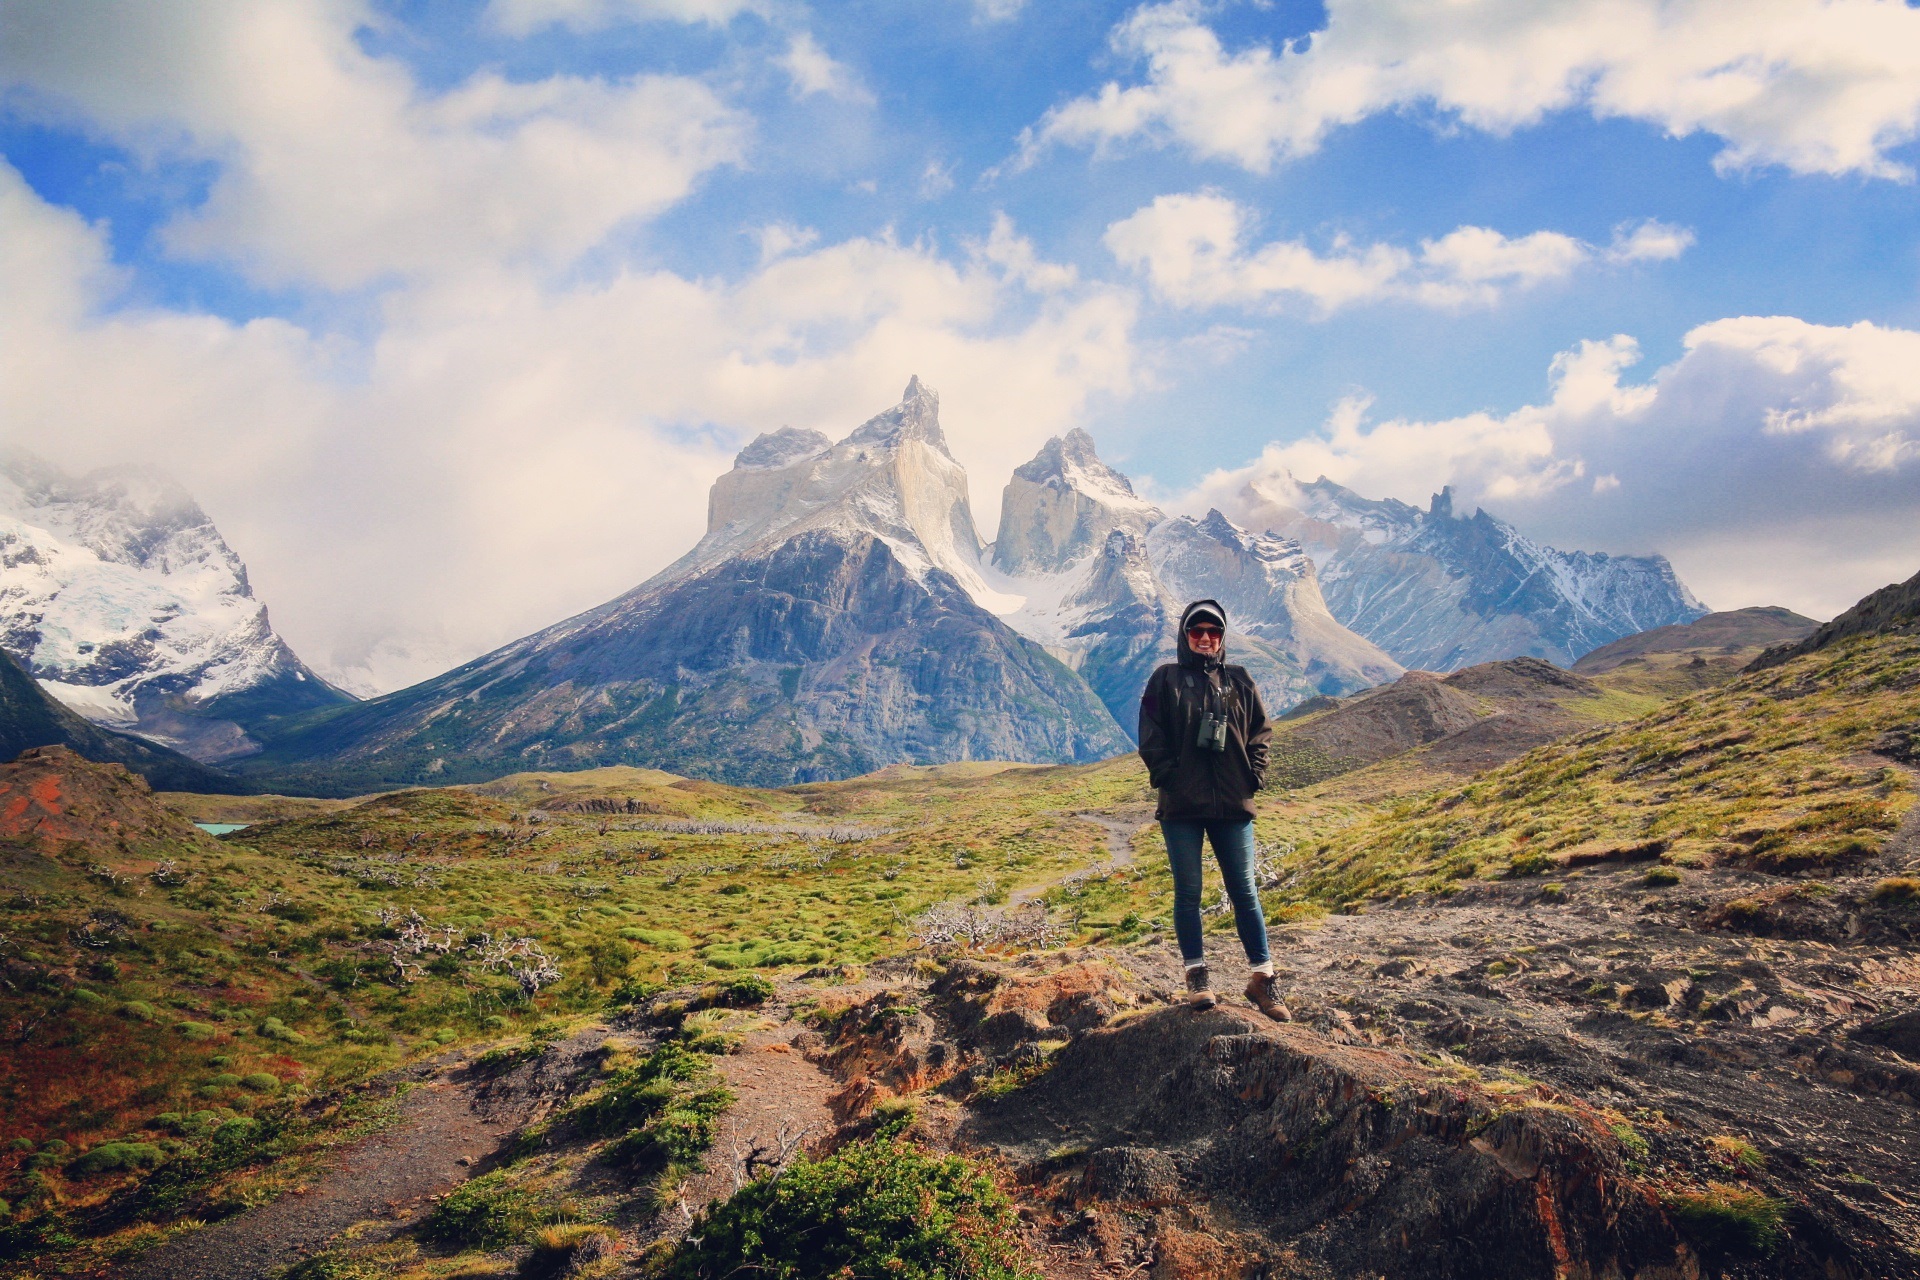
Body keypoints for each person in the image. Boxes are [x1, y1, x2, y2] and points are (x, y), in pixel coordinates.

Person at [1137, 599, 1290, 1020]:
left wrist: (1253, 776)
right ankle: (1197, 977)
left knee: (1244, 890)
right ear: (1185, 635)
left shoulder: (1239, 680)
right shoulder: (1163, 679)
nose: (1205, 638)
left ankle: (1263, 978)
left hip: (1233, 803)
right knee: (1189, 893)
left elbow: (1261, 731)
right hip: (1182, 806)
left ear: (1223, 637)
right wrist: (1169, 776)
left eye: (1214, 632)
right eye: (1196, 631)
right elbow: (1150, 736)